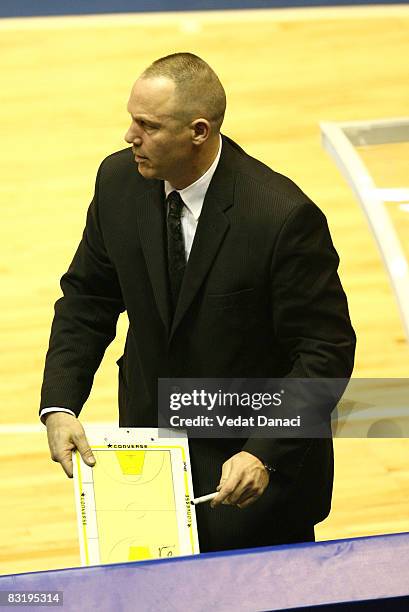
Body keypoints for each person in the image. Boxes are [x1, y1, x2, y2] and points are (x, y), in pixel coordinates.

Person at [40, 52, 356, 552]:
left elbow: (324, 352)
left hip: (251, 480)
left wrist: (264, 454)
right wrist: (60, 403)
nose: (130, 137)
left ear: (199, 131)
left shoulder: (280, 217)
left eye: (147, 125)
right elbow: (88, 297)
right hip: (150, 462)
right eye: (131, 120)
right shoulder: (118, 182)